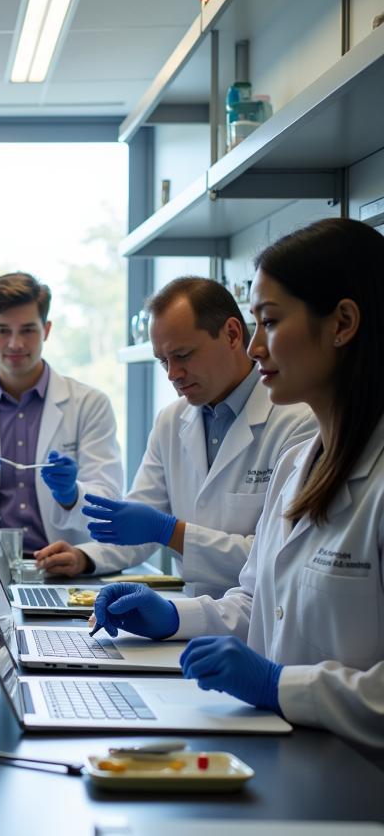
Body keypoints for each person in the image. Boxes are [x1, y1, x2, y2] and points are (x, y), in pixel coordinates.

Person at [91, 218, 384, 748]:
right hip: (288, 748)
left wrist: (280, 685)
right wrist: (169, 616)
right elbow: (257, 604)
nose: (253, 349)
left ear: (342, 322)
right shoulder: (301, 463)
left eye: (268, 322)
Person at [39, 276, 316, 596]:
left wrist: (172, 533)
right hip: (193, 616)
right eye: (163, 361)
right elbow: (139, 525)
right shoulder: (171, 421)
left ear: (232, 334)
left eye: (182, 355)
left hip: (261, 623)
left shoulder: (297, 420)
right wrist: (84, 557)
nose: (172, 374)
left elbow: (279, 555)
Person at [0, 271, 122, 553]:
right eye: (2, 330)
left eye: (27, 330)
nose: (15, 344)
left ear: (46, 330)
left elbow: (109, 499)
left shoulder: (90, 404)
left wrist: (72, 495)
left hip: (64, 568)